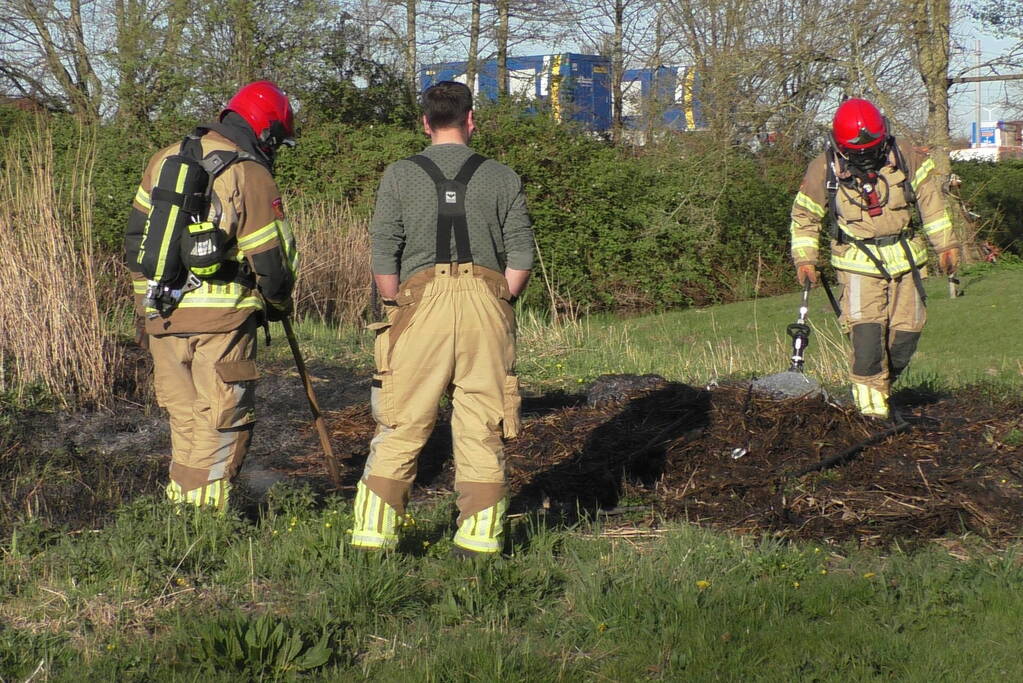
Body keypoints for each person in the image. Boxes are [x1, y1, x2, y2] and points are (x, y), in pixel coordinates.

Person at [353, 80, 534, 555]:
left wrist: (396, 306)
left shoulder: (399, 174)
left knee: (403, 422)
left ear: (425, 123)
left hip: (420, 304)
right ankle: (478, 540)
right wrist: (499, 299)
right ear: (471, 120)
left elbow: (383, 253)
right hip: (487, 306)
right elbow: (520, 255)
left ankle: (373, 538)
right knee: (482, 425)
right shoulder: (503, 176)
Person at [123, 81, 299, 510]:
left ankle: (180, 510)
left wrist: (144, 309)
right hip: (221, 321)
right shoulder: (249, 173)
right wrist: (278, 305)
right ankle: (206, 520)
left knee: (184, 420)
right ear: (267, 132)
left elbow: (134, 243)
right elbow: (271, 262)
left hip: (161, 314)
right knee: (223, 420)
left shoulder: (163, 159)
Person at [790, 98, 960, 419]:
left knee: (905, 338)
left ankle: (883, 392)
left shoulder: (905, 155)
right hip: (857, 263)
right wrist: (805, 259)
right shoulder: (822, 168)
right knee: (867, 341)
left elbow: (932, 204)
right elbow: (804, 217)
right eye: (858, 150)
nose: (866, 155)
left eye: (873, 146)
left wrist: (946, 246)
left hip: (906, 258)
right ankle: (870, 417)